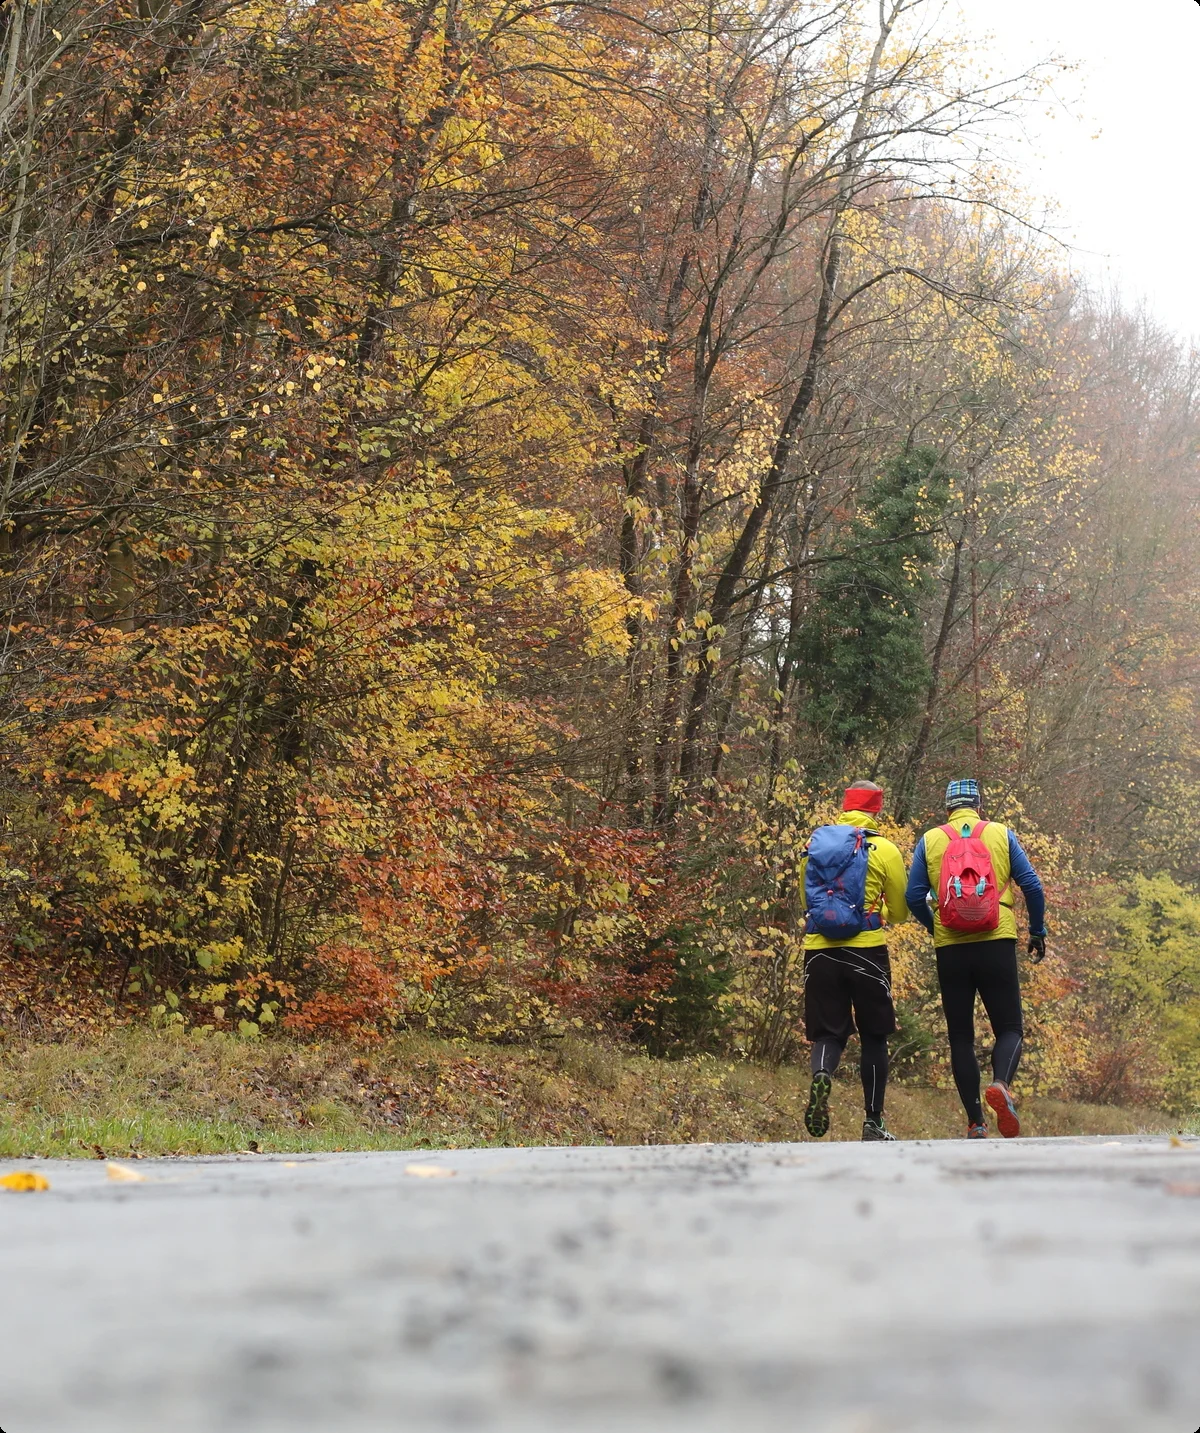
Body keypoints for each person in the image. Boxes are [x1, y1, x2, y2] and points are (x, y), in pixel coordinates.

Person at [906, 778, 1047, 1139]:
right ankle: (1000, 1084)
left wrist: (935, 925)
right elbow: (1031, 885)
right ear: (979, 804)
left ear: (948, 807)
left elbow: (913, 896)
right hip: (996, 939)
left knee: (960, 1037)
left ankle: (976, 1123)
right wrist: (1037, 931)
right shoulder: (1000, 834)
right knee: (1010, 1027)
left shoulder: (931, 839)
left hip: (951, 946)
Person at [799, 780, 910, 1143]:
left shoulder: (815, 846)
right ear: (877, 809)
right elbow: (900, 909)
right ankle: (873, 1122)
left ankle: (821, 1075)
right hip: (867, 951)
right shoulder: (885, 849)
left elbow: (808, 899)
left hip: (818, 948)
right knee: (875, 1036)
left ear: (844, 807)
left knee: (828, 1032)